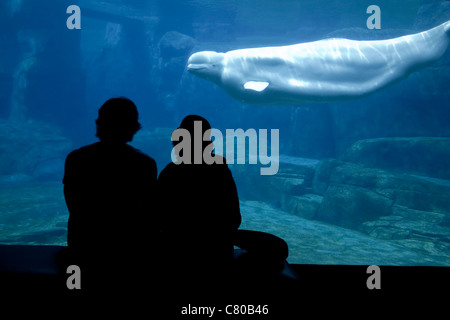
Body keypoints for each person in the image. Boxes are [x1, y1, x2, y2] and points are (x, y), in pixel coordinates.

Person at [62, 97, 157, 291]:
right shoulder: (144, 164)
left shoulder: (77, 159)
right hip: (128, 253)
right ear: (134, 127)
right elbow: (150, 213)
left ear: (100, 124)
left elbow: (74, 205)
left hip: (83, 249)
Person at [157, 115, 241, 284]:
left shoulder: (170, 173)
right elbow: (234, 218)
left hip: (177, 257)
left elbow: (156, 217)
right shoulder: (221, 171)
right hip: (217, 256)